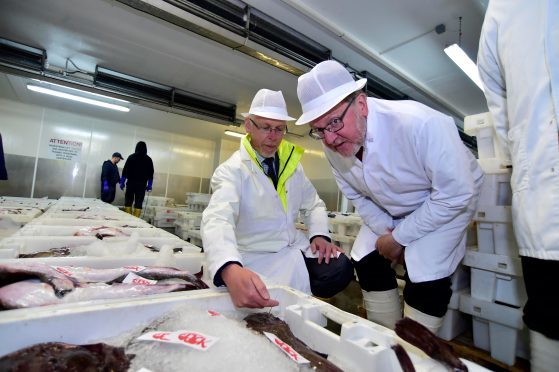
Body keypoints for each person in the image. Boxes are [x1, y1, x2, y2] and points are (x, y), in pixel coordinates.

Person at [295, 60, 484, 334]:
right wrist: (391, 233)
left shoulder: (420, 124)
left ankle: (414, 350)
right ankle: (386, 338)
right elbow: (357, 196)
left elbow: (456, 193)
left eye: (334, 122)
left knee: (425, 276)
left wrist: (399, 238)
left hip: (447, 200)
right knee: (367, 260)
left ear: (361, 104)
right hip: (393, 209)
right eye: (319, 129)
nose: (330, 138)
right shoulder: (333, 144)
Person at [201, 88, 354, 309]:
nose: (273, 137)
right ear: (249, 126)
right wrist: (229, 267)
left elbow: (314, 204)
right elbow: (218, 219)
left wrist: (319, 235)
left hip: (290, 248)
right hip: (254, 256)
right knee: (262, 307)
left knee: (340, 268)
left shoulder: (292, 166)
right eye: (265, 128)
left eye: (279, 129)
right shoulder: (232, 171)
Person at [477, 1, 559, 369]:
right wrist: (524, 159)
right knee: (549, 311)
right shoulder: (503, 10)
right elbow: (498, 100)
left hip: (539, 176)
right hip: (544, 185)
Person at [120, 141, 154, 217]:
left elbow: (125, 171)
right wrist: (149, 185)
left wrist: (122, 182)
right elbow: (151, 174)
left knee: (128, 201)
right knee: (139, 203)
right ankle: (136, 221)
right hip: (142, 185)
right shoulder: (148, 159)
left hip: (131, 183)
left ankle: (128, 218)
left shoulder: (131, 157)